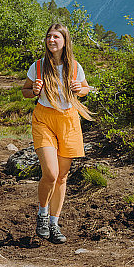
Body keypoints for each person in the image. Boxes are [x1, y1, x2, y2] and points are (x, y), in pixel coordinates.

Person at [22, 23, 93, 244]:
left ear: (65, 41)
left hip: (69, 120)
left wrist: (79, 90)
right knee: (51, 173)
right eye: (48, 36)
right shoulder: (38, 66)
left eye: (56, 37)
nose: (51, 40)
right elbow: (25, 91)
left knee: (62, 176)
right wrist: (32, 91)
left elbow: (86, 88)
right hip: (44, 119)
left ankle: (54, 223)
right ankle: (42, 215)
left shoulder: (74, 67)